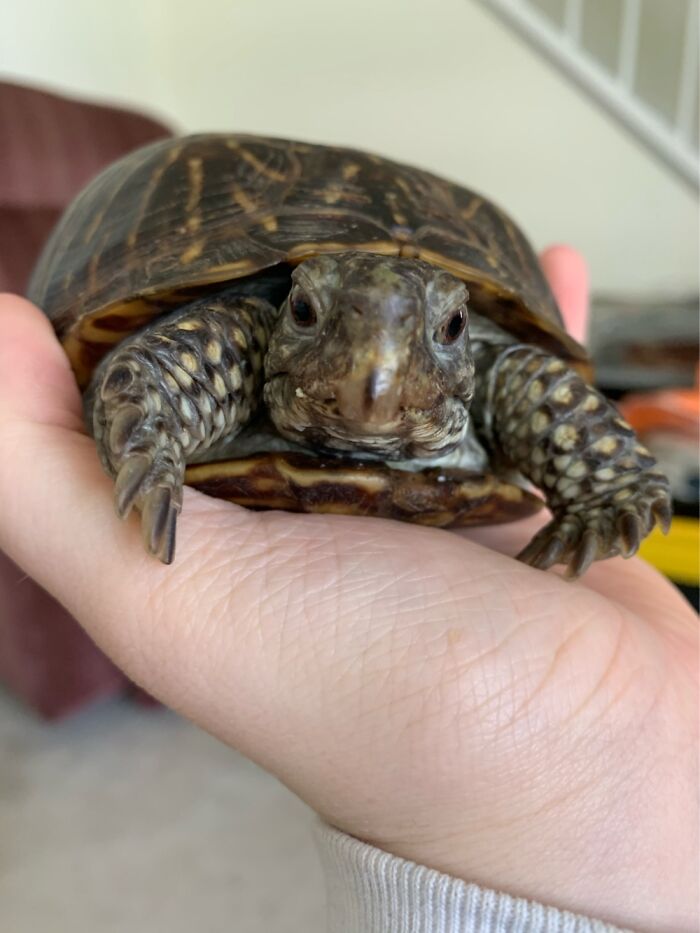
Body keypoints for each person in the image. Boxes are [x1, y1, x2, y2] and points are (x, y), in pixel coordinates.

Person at [0, 247, 696, 933]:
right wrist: (151, 414)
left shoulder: (498, 378)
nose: (377, 359)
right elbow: (153, 360)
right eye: (306, 313)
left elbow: (525, 374)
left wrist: (608, 482)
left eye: (447, 329)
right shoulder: (243, 333)